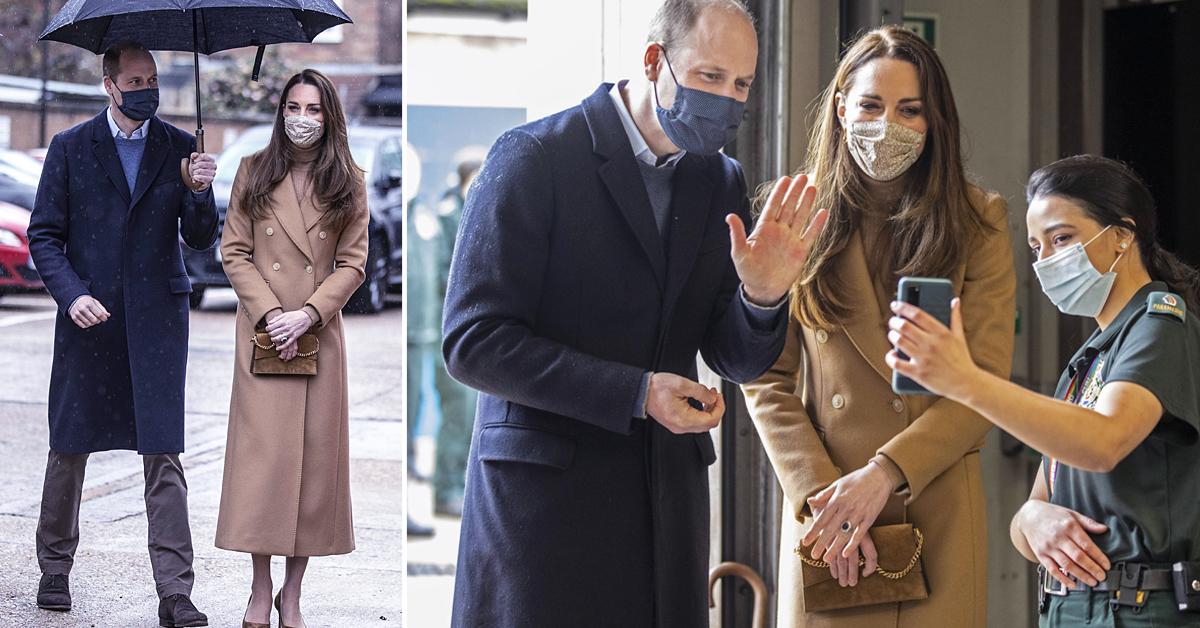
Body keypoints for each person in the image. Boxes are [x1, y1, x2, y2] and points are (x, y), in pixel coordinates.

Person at [440, 0, 829, 625]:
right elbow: (472, 342)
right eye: (710, 77)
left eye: (742, 84)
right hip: (543, 513)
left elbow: (733, 357)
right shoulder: (533, 157)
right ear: (655, 61)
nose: (727, 100)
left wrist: (763, 294)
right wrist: (636, 391)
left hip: (664, 507)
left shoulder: (720, 180)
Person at [740, 25, 1016, 628]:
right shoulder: (794, 217)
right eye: (870, 105)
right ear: (841, 110)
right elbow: (765, 375)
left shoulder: (978, 221)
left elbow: (987, 384)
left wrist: (887, 474)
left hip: (936, 505)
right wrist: (822, 497)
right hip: (831, 520)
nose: (886, 124)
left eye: (908, 110)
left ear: (933, 121)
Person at [889, 154, 1200, 626]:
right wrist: (1033, 521)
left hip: (1139, 610)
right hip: (1071, 607)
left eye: (1062, 238)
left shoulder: (1159, 323)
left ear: (1122, 234)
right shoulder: (1090, 357)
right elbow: (1038, 501)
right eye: (1037, 248)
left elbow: (1102, 442)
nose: (1047, 261)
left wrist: (967, 381)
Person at [27, 41, 217, 627]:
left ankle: (175, 592)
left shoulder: (182, 147)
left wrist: (200, 189)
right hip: (90, 321)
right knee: (70, 447)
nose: (146, 89)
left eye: (152, 78)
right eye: (135, 79)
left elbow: (201, 239)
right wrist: (73, 294)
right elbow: (44, 236)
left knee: (163, 454)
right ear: (109, 85)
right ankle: (54, 568)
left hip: (158, 324)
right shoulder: (70, 147)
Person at [215, 68, 369, 628]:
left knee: (313, 468)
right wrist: (272, 313)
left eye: (314, 109)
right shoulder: (253, 170)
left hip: (317, 336)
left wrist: (308, 313)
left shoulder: (348, 180)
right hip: (263, 337)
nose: (302, 119)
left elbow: (353, 263)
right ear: (281, 111)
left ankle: (293, 593)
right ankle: (260, 589)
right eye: (294, 107)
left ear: (330, 117)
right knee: (265, 465)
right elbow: (234, 251)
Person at [430, 156, 482, 516]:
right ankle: (447, 487)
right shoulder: (449, 218)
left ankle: (463, 487)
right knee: (457, 413)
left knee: (471, 416)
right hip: (448, 335)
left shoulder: (478, 215)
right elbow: (443, 279)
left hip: (478, 338)